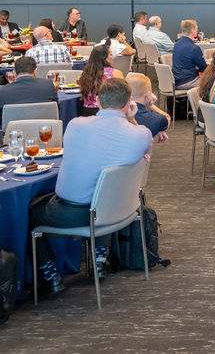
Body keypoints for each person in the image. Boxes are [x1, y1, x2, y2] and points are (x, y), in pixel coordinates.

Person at [29, 77, 152, 295]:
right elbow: (140, 143)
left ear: (98, 101)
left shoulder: (75, 125)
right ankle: (99, 259)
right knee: (102, 194)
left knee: (29, 211)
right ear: (129, 102)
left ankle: (50, 276)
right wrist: (131, 118)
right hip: (117, 211)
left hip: (72, 215)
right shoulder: (141, 134)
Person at [127, 73, 169, 141]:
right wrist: (150, 105)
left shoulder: (116, 112)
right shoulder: (157, 119)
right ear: (148, 94)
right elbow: (167, 117)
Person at [172, 19, 207, 90]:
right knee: (213, 83)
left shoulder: (176, 44)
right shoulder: (194, 48)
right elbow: (204, 68)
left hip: (175, 80)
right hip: (188, 82)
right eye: (196, 28)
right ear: (193, 31)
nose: (197, 30)